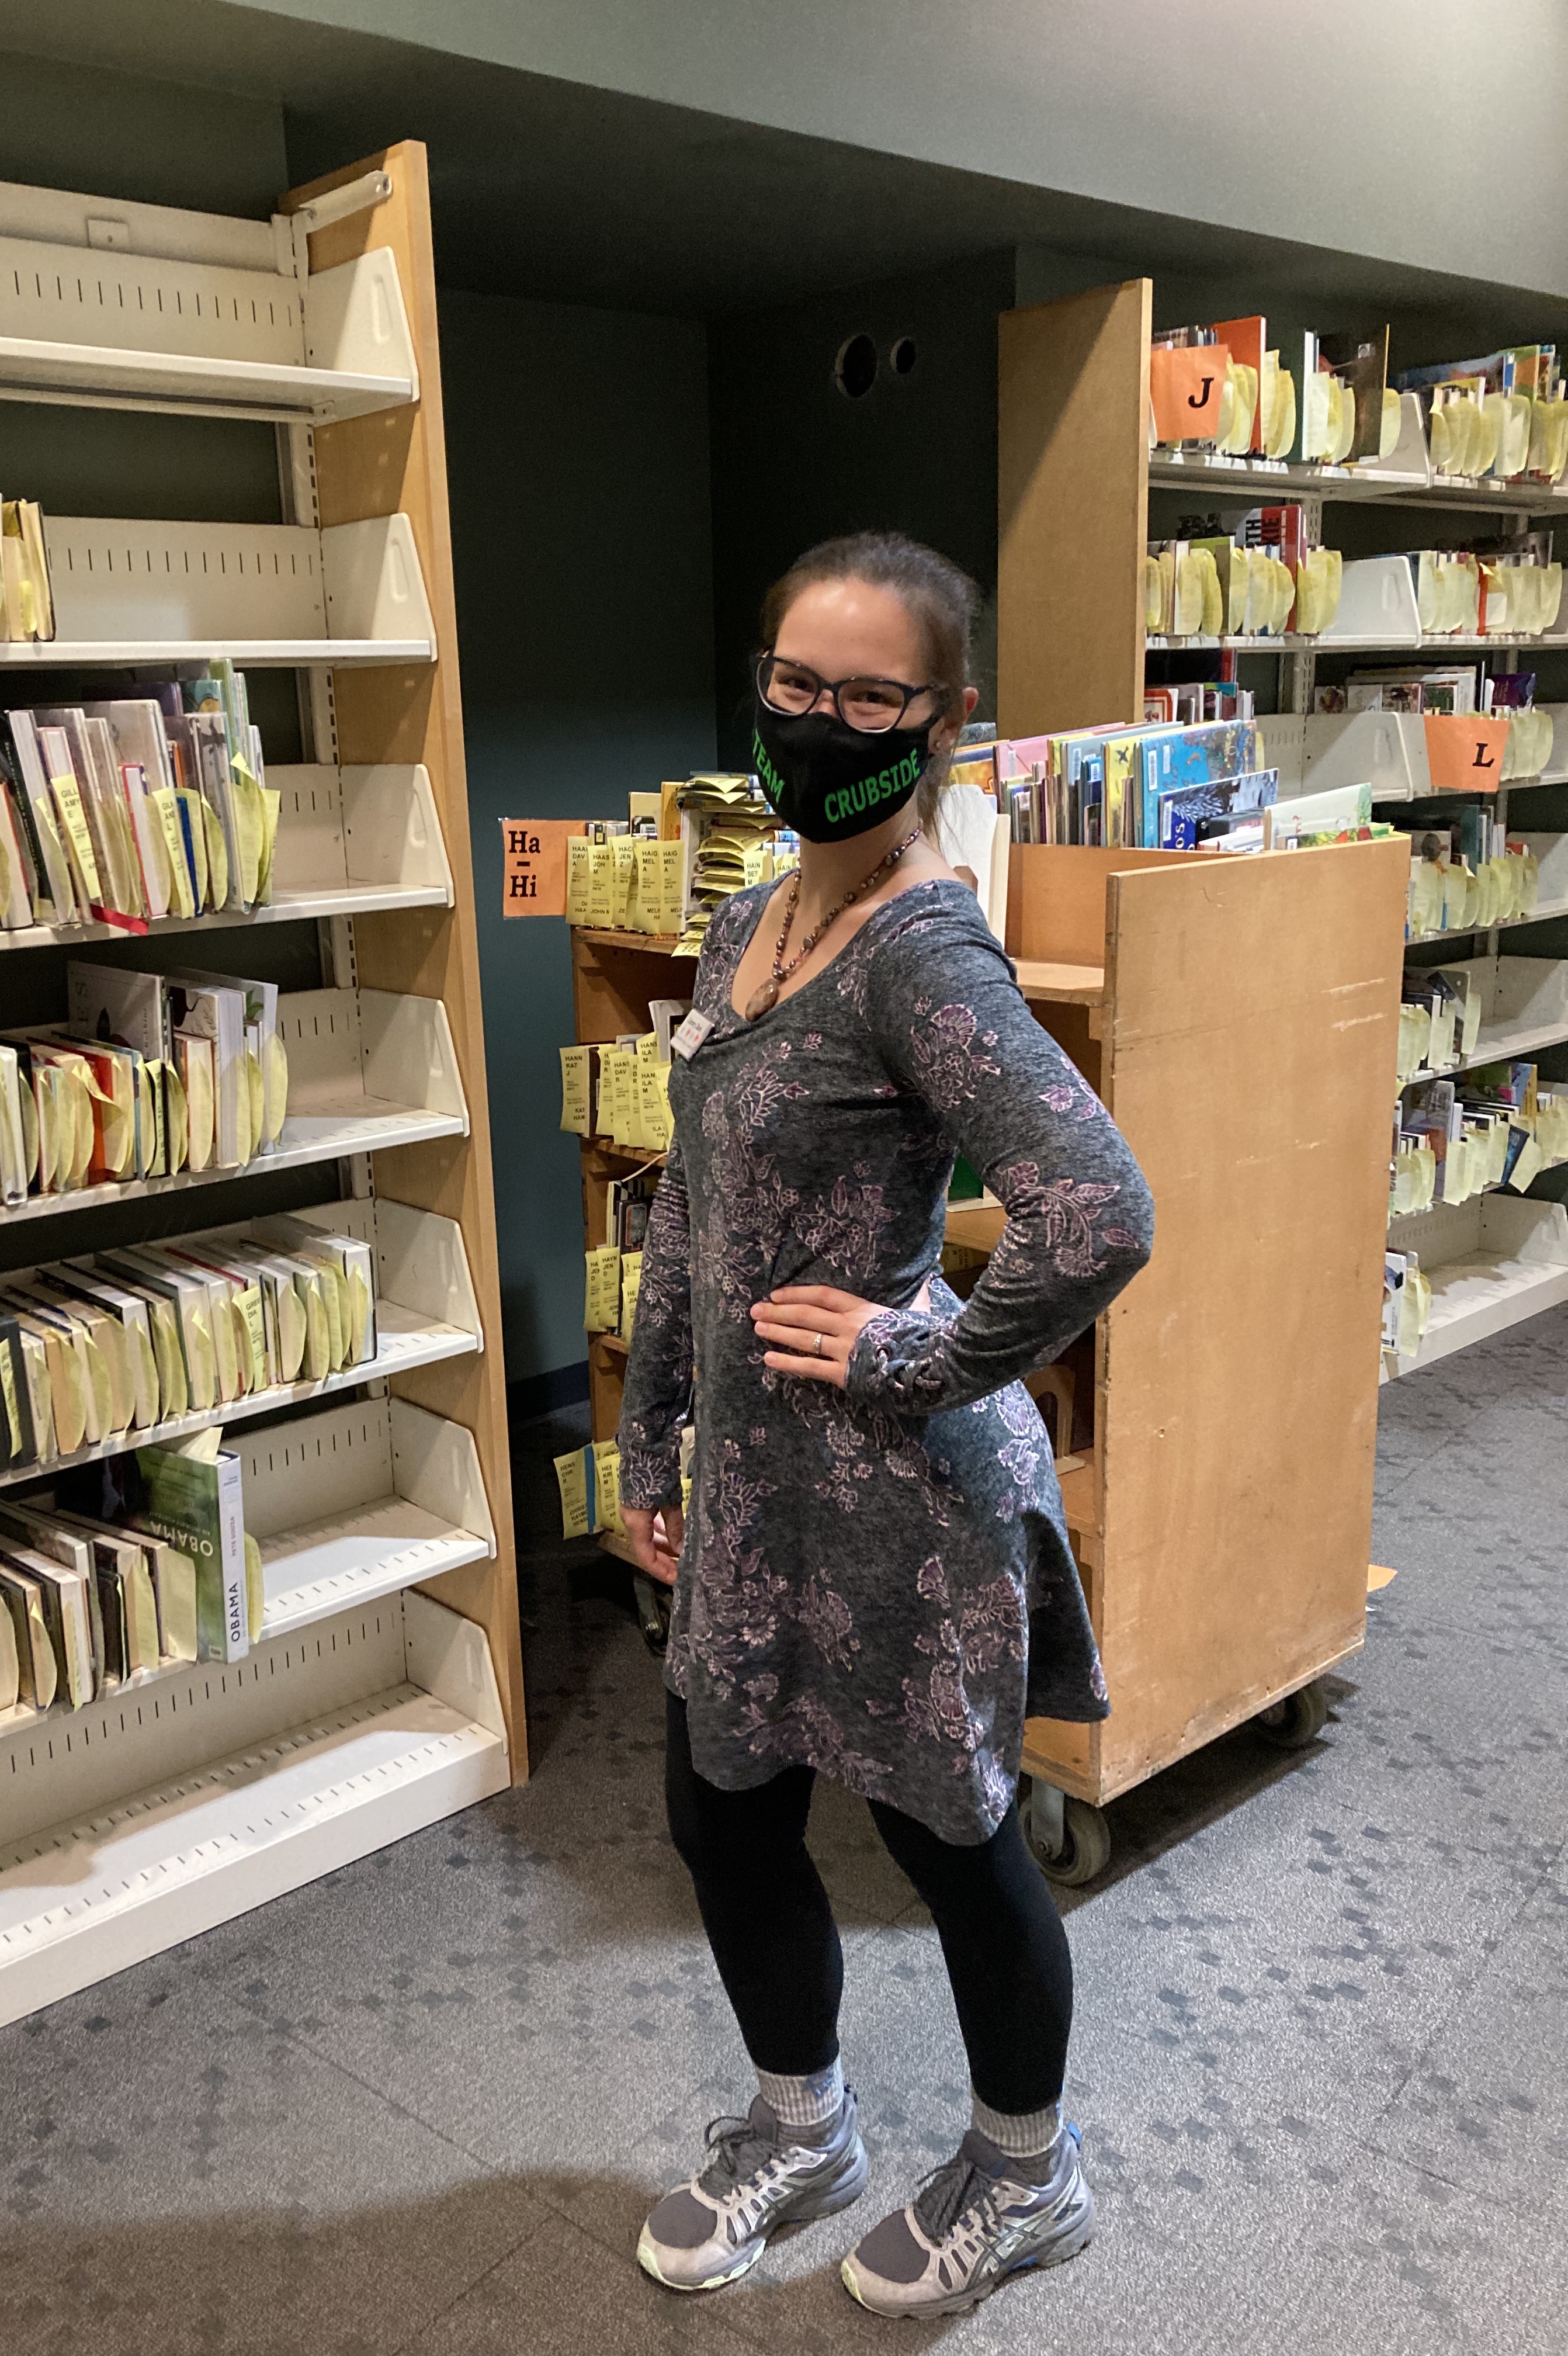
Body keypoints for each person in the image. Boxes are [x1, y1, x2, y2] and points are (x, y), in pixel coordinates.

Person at [616, 531, 1154, 2320]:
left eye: (865, 697)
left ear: (943, 722)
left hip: (900, 1499)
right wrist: (648, 1442)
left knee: (951, 1840)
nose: (816, 723)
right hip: (755, 1498)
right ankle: (806, 2124)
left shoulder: (923, 954)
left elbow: (1096, 1209)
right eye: (793, 685)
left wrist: (920, 1357)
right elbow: (691, 1214)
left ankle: (1029, 2168)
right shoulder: (747, 916)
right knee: (727, 1819)